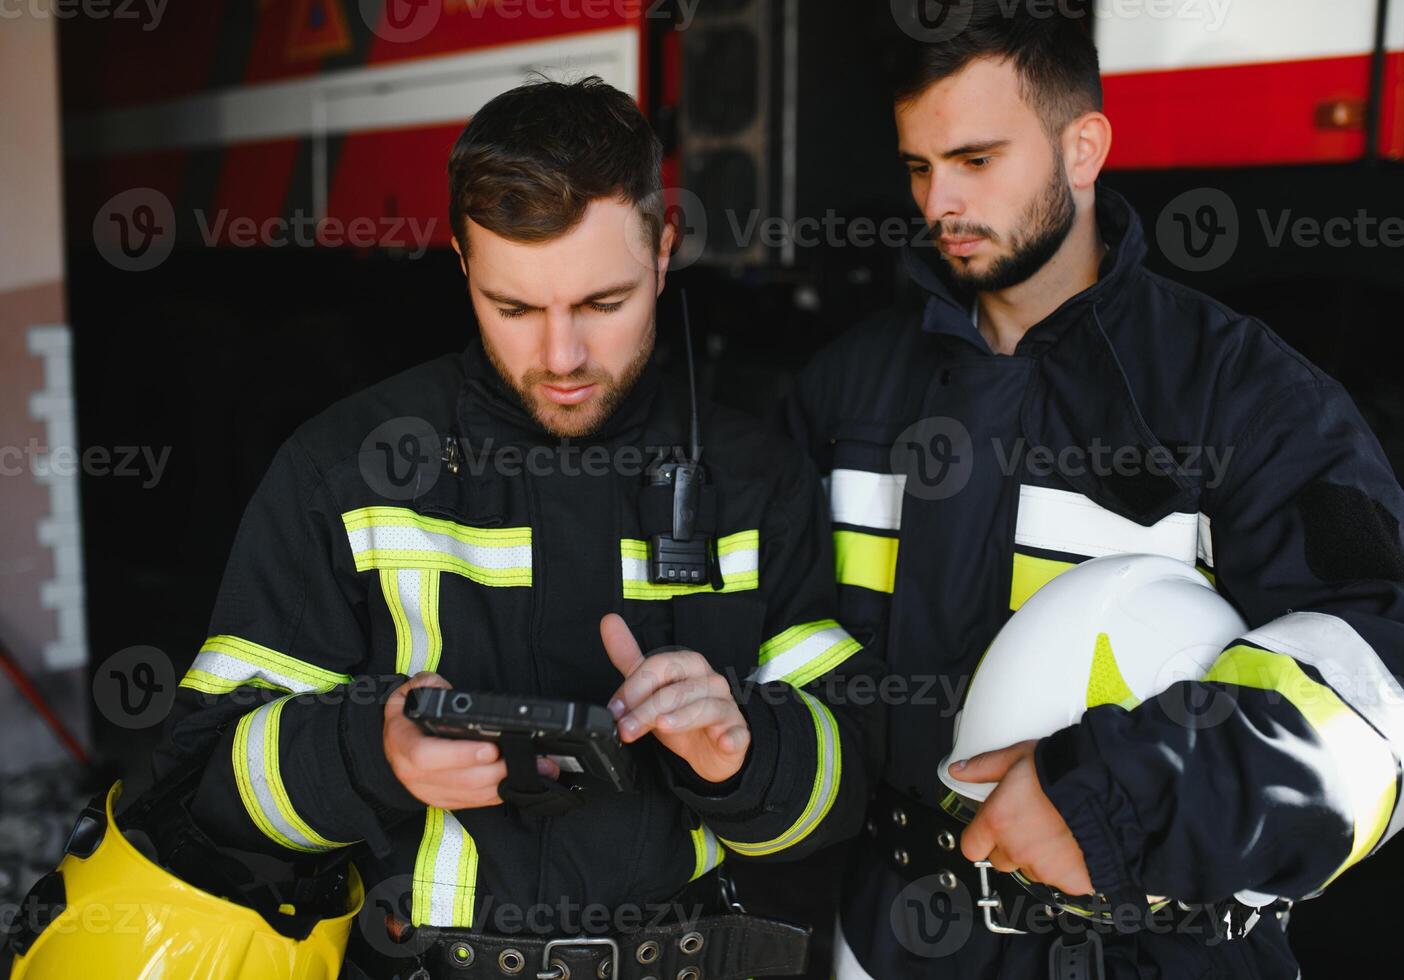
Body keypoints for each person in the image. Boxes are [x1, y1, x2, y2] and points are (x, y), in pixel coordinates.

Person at [781, 6, 1404, 979]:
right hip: (888, 943)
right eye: (919, 166)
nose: (940, 202)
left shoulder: (1237, 392)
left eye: (977, 160)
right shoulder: (842, 391)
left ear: (1083, 146)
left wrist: (1120, 802)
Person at [153, 76, 881, 980]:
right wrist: (371, 753)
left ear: (663, 249)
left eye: (603, 304)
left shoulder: (756, 478)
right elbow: (200, 786)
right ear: (461, 261)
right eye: (515, 308)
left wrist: (741, 751)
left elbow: (852, 779)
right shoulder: (341, 469)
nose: (562, 357)